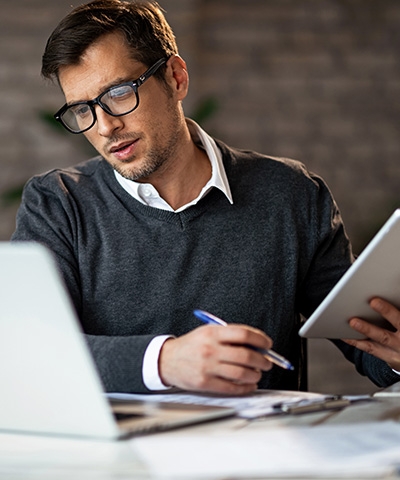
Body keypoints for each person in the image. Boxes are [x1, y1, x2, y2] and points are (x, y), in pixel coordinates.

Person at [12, 0, 400, 395]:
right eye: (83, 109)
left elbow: (368, 344)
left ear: (176, 78)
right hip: (124, 455)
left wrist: (396, 354)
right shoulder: (57, 203)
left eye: (119, 93)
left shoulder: (291, 195)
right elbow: (28, 349)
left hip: (261, 450)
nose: (107, 126)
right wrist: (165, 362)